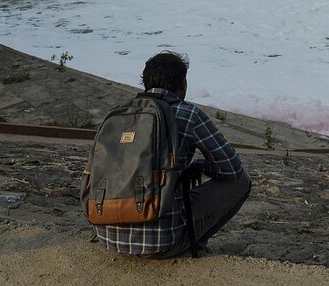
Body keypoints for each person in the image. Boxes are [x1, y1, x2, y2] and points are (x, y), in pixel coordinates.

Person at [92, 51, 251, 258]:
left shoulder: (118, 114)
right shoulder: (188, 114)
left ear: (145, 82)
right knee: (241, 181)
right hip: (163, 243)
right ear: (182, 84)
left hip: (109, 238)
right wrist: (197, 166)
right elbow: (231, 168)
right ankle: (193, 244)